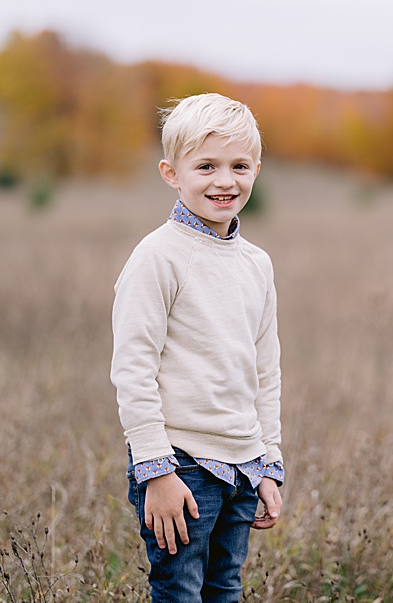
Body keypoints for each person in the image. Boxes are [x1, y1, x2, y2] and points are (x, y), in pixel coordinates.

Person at [111, 93, 284, 602]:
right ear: (172, 172)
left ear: (256, 169)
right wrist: (156, 471)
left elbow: (265, 370)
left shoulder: (257, 264)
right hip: (180, 464)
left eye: (239, 166)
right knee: (179, 591)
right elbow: (133, 368)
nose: (224, 181)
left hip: (243, 463)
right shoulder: (158, 257)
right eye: (206, 166)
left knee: (223, 590)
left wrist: (268, 462)